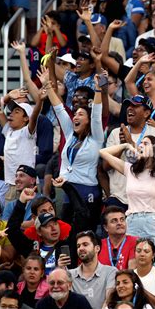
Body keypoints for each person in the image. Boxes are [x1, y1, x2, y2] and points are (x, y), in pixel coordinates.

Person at [43, 68, 104, 234]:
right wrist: (48, 87)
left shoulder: (96, 137)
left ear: (88, 120)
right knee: (64, 233)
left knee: (84, 232)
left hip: (86, 190)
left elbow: (97, 114)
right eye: (75, 114)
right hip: (63, 188)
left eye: (81, 114)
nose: (75, 117)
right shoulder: (70, 133)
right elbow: (60, 109)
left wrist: (99, 89)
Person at [100, 128, 155, 247]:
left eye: (146, 143)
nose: (141, 145)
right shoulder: (130, 170)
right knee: (133, 262)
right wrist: (126, 145)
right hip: (132, 222)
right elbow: (103, 152)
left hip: (154, 222)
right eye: (140, 143)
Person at [6, 188, 78, 274]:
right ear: (39, 231)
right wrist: (21, 202)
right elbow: (11, 230)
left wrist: (67, 188)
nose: (53, 228)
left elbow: (82, 215)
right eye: (47, 225)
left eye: (55, 223)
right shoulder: (31, 248)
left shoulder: (68, 245)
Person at [0, 94, 42, 204]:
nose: (11, 114)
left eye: (17, 112)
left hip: (28, 184)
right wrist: (8, 96)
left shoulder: (28, 132)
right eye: (12, 111)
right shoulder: (8, 131)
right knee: (10, 219)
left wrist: (40, 100)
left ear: (26, 118)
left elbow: (34, 116)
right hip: (10, 184)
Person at [62, 230, 117, 309]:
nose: (80, 248)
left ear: (97, 248)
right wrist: (61, 269)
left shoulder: (110, 272)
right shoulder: (69, 274)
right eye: (78, 246)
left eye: (85, 244)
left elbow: (108, 301)